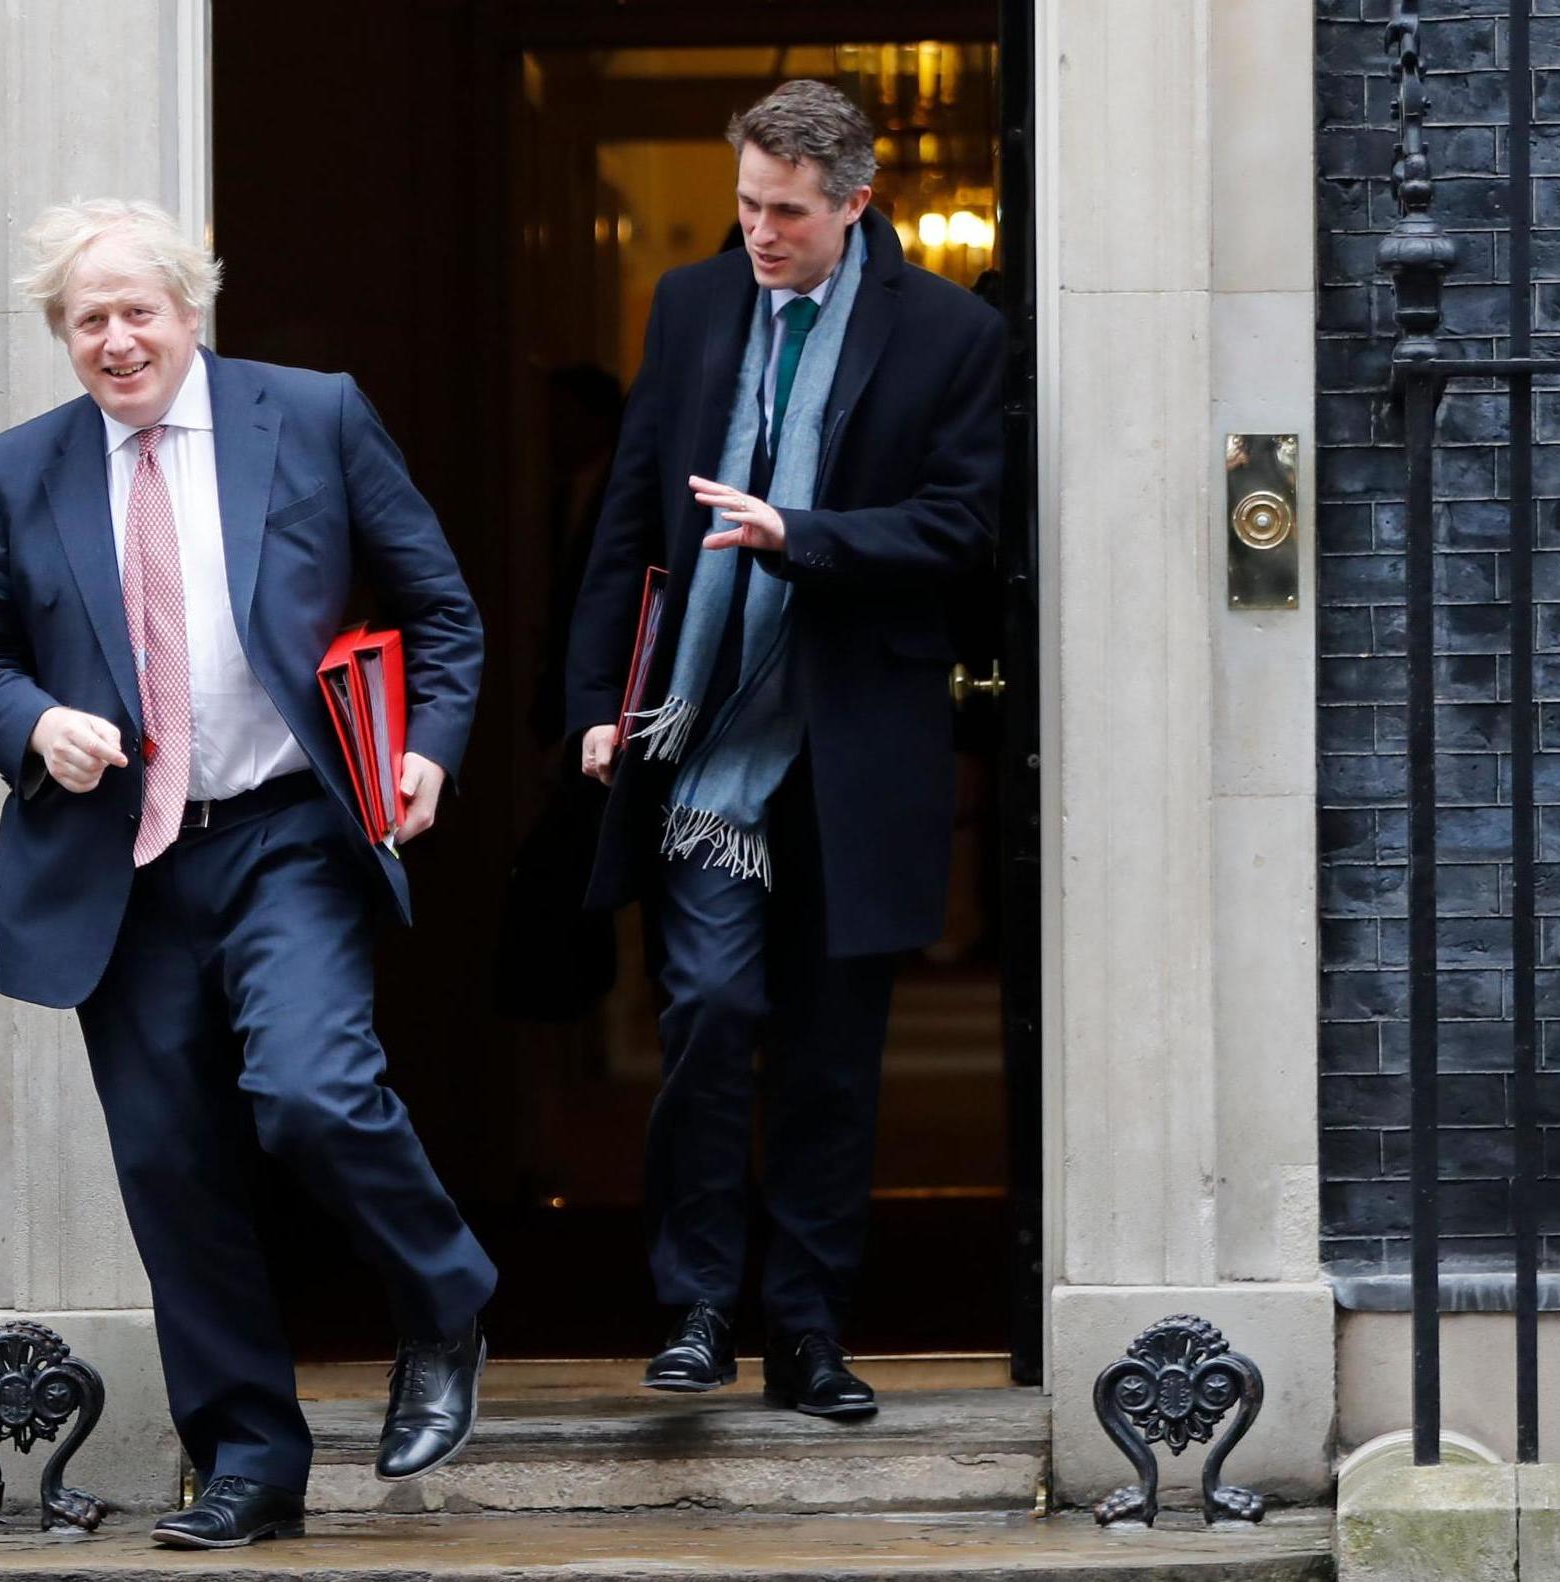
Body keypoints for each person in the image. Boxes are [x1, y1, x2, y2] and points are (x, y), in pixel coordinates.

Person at [0, 199, 493, 1548]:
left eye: (139, 309)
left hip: (284, 829)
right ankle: (251, 1457)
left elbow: (439, 605)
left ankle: (442, 1290)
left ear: (191, 310)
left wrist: (425, 748)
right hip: (120, 865)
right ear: (61, 337)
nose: (116, 338)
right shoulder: (14, 471)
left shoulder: (309, 417)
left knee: (309, 1088)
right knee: (175, 1172)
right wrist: (32, 722)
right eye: (88, 319)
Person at [565, 81, 1005, 1417]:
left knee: (827, 1053)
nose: (758, 232)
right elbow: (630, 510)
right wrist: (597, 693)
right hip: (709, 746)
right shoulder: (694, 305)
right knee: (703, 1008)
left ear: (855, 206)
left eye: (787, 213)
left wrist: (799, 534)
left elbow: (965, 528)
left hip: (856, 748)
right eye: (747, 204)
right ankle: (698, 1302)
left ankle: (808, 1331)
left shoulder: (949, 333)